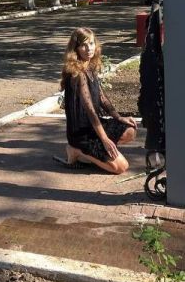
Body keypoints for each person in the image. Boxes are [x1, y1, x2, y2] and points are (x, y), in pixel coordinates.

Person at [59, 27, 138, 174]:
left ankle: (98, 154)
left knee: (130, 130)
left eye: (91, 43)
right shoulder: (78, 73)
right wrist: (105, 139)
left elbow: (102, 97)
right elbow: (90, 111)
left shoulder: (89, 66)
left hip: (93, 126)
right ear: (75, 49)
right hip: (81, 132)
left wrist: (119, 117)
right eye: (84, 45)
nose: (89, 48)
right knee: (121, 167)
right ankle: (76, 150)